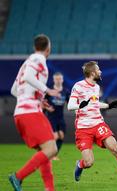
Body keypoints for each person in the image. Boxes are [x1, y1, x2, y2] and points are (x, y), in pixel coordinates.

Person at [67, 61, 117, 186]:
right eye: (98, 70)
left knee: (115, 148)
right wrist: (80, 105)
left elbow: (94, 104)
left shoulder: (96, 87)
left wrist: (108, 106)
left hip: (98, 124)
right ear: (92, 73)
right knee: (89, 162)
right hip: (83, 129)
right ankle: (80, 165)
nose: (100, 72)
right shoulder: (78, 86)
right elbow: (70, 106)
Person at [9, 34, 60, 191]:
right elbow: (29, 76)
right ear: (48, 48)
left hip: (21, 112)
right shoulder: (39, 60)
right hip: (30, 113)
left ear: (34, 47)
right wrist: (48, 91)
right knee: (52, 149)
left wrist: (36, 99)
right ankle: (18, 176)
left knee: (45, 150)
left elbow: (14, 90)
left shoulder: (26, 62)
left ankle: (49, 188)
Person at [44, 72, 70, 160]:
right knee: (54, 136)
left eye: (60, 79)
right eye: (56, 79)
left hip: (60, 117)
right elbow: (43, 102)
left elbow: (70, 103)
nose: (58, 80)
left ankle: (54, 155)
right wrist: (47, 108)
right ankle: (49, 155)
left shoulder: (65, 91)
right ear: (54, 80)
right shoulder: (50, 91)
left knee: (61, 135)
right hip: (51, 117)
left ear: (62, 80)